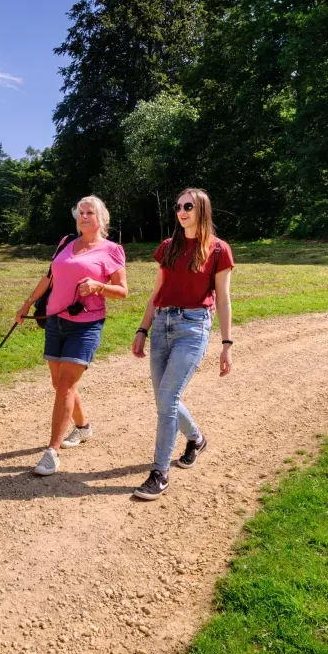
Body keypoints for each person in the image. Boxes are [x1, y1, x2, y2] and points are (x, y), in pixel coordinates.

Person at [130, 188, 234, 500]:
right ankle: (196, 438)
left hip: (194, 326)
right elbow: (157, 292)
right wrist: (142, 329)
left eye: (188, 205)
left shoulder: (218, 250)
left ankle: (160, 472)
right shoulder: (167, 247)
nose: (181, 211)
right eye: (177, 206)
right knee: (166, 399)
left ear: (202, 209)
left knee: (167, 398)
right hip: (161, 324)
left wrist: (226, 344)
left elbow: (225, 300)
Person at [16, 195, 129, 476]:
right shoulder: (66, 243)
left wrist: (98, 287)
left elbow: (123, 291)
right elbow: (49, 278)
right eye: (80, 212)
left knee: (66, 384)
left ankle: (51, 452)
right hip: (55, 322)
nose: (84, 216)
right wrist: (28, 303)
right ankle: (83, 428)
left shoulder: (112, 250)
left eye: (90, 212)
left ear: (102, 218)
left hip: (86, 326)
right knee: (59, 383)